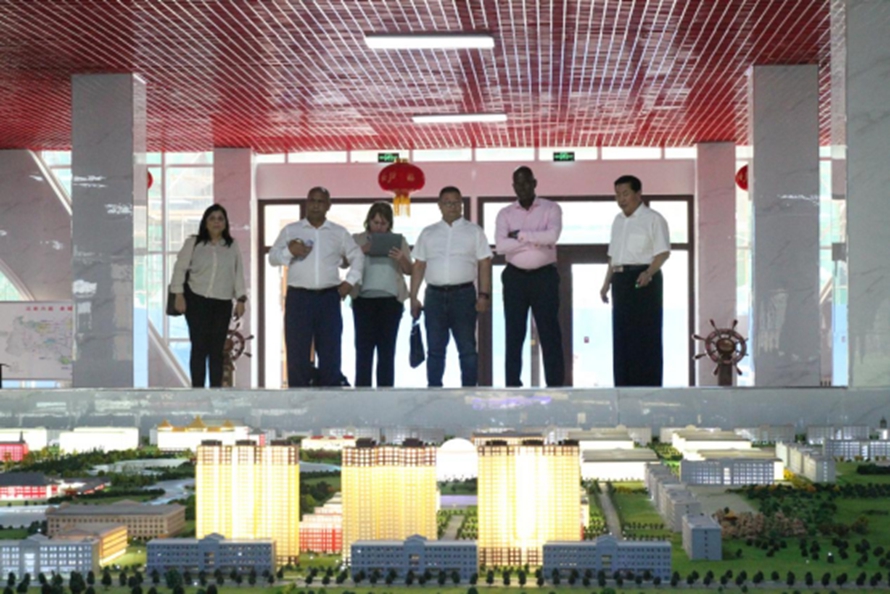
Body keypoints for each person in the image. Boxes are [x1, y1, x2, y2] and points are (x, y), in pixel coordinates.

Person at [268, 186, 363, 387]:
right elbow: (273, 258)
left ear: (328, 205)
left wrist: (349, 282)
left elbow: (358, 257)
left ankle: (329, 401)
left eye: (320, 201)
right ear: (306, 203)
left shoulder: (339, 232)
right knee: (297, 353)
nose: (316, 205)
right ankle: (297, 401)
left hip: (328, 298)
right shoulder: (291, 230)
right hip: (298, 298)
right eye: (312, 200)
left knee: (330, 353)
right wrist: (289, 252)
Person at [411, 186, 493, 387]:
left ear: (462, 204)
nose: (452, 206)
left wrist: (484, 295)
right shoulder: (428, 233)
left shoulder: (474, 231)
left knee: (467, 349)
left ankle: (469, 393)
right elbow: (419, 265)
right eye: (447, 203)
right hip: (434, 296)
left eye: (456, 202)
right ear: (439, 205)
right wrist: (413, 297)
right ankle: (434, 394)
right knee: (435, 350)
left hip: (464, 295)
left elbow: (485, 262)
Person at [495, 166, 565, 387]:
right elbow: (500, 246)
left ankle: (555, 386)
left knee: (549, 332)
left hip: (544, 277)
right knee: (514, 334)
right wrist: (536, 240)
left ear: (534, 183)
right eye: (518, 183)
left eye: (526, 182)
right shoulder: (505, 213)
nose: (522, 187)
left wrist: (520, 236)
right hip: (515, 278)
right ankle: (512, 385)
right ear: (513, 186)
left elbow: (552, 236)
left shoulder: (551, 208)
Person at [600, 175, 670, 386]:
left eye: (625, 194)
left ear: (639, 194)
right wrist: (606, 283)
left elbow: (663, 253)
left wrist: (648, 273)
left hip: (644, 279)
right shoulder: (618, 221)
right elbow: (613, 257)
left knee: (645, 337)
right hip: (620, 280)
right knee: (622, 336)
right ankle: (623, 387)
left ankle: (648, 388)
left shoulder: (653, 219)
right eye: (617, 195)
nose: (621, 199)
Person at [170, 204, 247, 388]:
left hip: (222, 303)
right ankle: (197, 391)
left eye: (220, 219)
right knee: (199, 347)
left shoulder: (232, 246)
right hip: (196, 300)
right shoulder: (194, 243)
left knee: (217, 350)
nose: (216, 222)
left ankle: (215, 392)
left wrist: (241, 299)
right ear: (205, 222)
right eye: (212, 218)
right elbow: (179, 269)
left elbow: (238, 273)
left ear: (225, 223)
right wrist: (178, 294)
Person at [350, 202, 413, 387]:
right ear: (368, 221)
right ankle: (362, 394)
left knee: (387, 352)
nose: (379, 227)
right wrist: (363, 250)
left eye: (383, 223)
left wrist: (401, 258)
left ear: (389, 224)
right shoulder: (357, 239)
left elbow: (410, 270)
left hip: (391, 302)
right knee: (363, 351)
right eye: (375, 222)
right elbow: (343, 261)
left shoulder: (398, 241)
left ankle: (386, 396)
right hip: (363, 300)